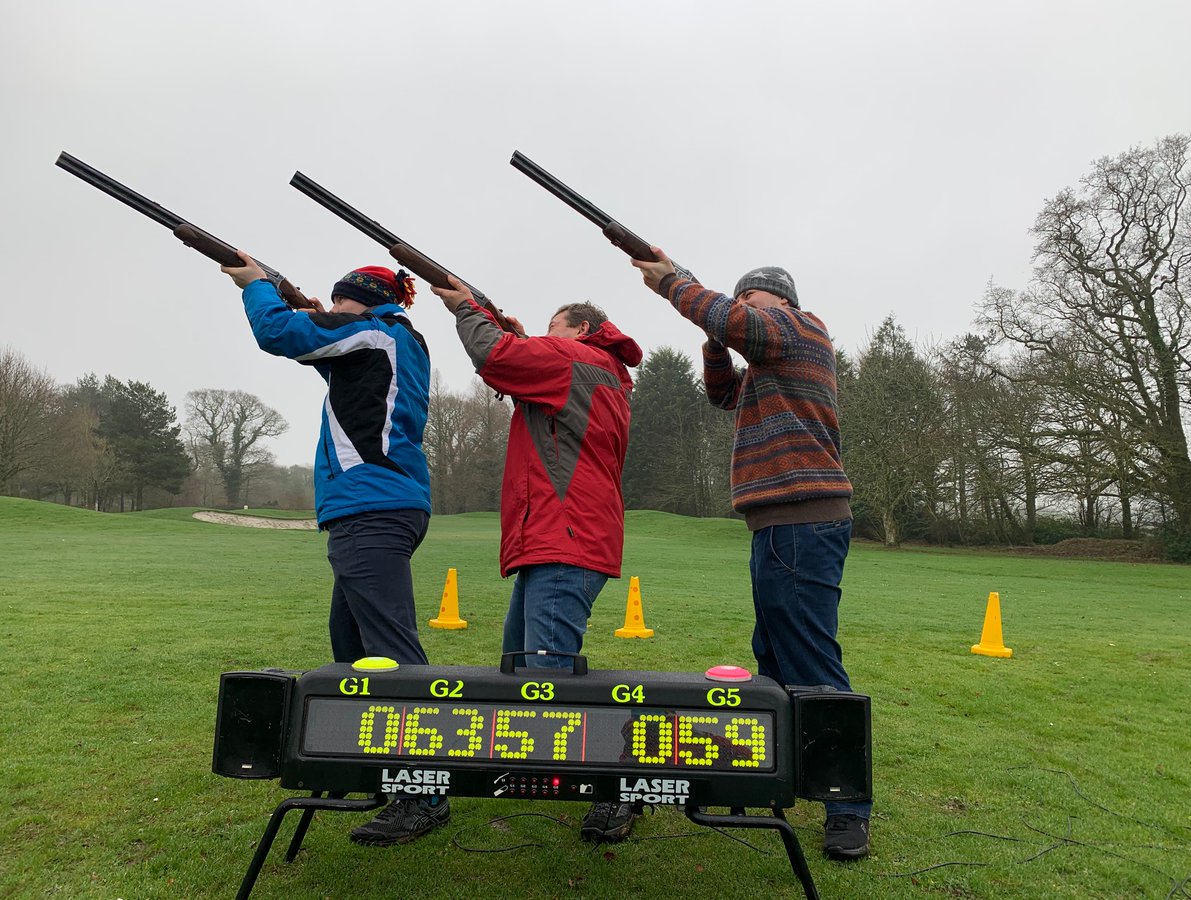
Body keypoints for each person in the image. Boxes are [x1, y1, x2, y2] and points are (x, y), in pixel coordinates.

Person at [626, 252, 873, 860]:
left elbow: (745, 326)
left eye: (751, 301)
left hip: (802, 520)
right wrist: (714, 338)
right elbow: (719, 393)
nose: (742, 313)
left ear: (782, 302)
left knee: (811, 661)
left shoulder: (801, 330)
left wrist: (674, 285)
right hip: (780, 525)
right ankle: (784, 775)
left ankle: (847, 807)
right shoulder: (768, 363)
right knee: (774, 654)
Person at [220, 253, 446, 846]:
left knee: (391, 653)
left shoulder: (376, 332)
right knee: (350, 648)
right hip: (376, 505)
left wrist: (256, 285)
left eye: (339, 299)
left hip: (372, 507)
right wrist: (314, 311)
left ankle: (422, 790)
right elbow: (338, 367)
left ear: (361, 301)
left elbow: (278, 333)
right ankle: (359, 761)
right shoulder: (388, 337)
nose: (332, 307)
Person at [431, 276, 645, 843]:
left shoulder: (573, 357)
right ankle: (533, 767)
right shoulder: (602, 371)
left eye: (554, 326)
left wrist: (463, 305)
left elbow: (495, 354)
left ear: (582, 329)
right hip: (566, 536)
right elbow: (523, 362)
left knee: (547, 680)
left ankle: (614, 788)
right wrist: (523, 337)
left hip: (564, 535)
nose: (545, 334)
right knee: (523, 668)